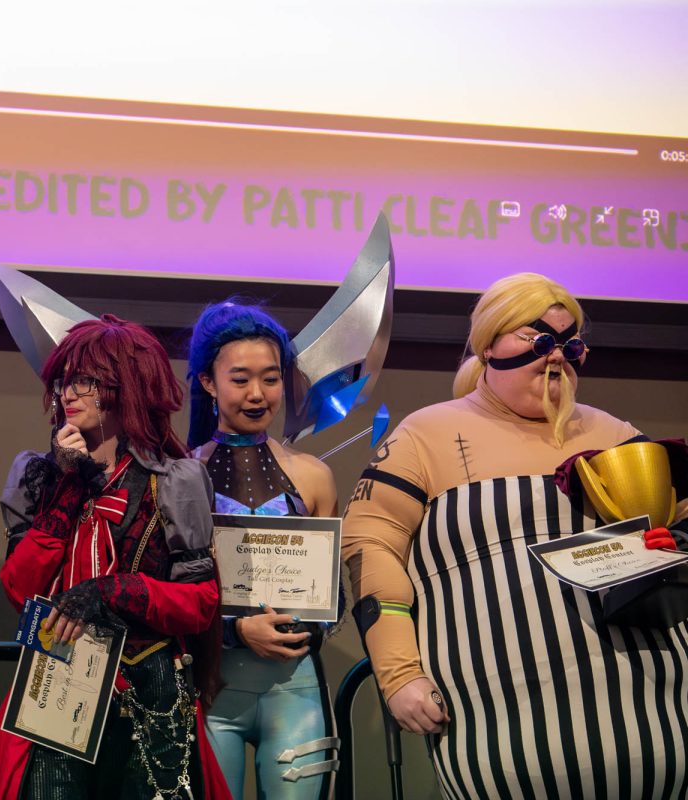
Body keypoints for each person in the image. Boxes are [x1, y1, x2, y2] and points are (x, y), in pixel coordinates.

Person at [342, 272, 688, 799]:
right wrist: (398, 672)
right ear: (488, 345)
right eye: (538, 340)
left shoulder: (614, 434)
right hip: (500, 731)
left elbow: (676, 529)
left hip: (653, 713)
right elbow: (370, 547)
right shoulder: (424, 435)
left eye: (570, 345)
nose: (556, 358)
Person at [0, 314, 230, 799]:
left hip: (150, 686)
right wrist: (67, 487)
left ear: (126, 386)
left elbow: (201, 603)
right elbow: (22, 591)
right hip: (58, 676)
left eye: (85, 380)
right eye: (65, 379)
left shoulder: (173, 479)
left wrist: (113, 590)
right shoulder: (39, 475)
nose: (68, 392)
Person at [186, 300, 340, 798]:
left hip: (296, 691)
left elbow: (329, 593)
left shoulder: (313, 475)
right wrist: (235, 630)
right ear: (208, 382)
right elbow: (168, 591)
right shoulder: (180, 476)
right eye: (240, 379)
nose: (257, 394)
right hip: (210, 693)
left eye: (271, 379)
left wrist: (307, 621)